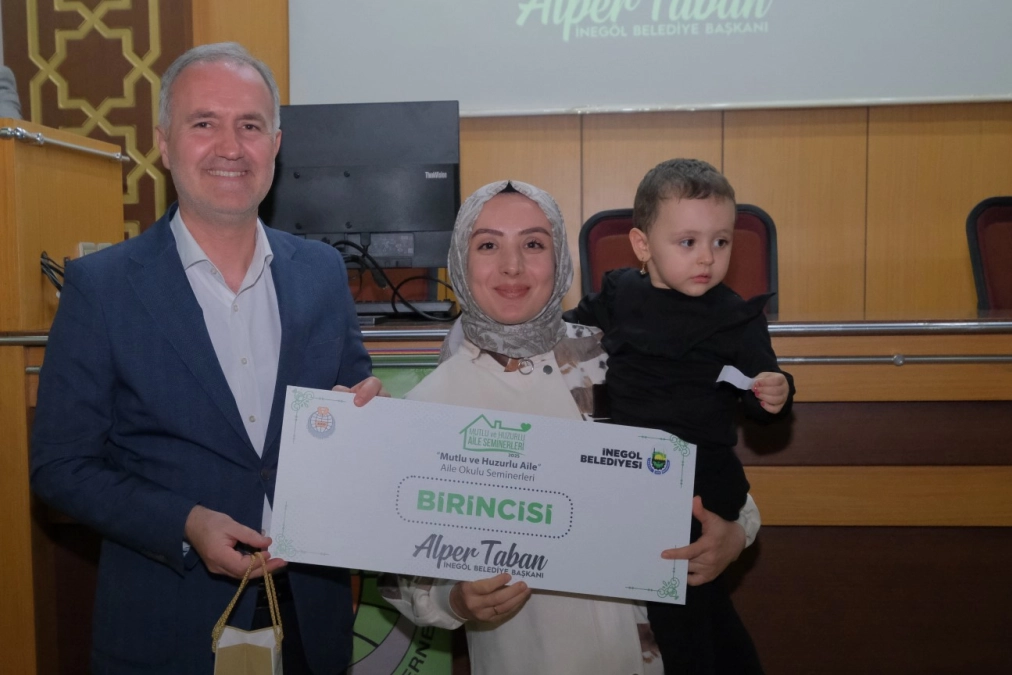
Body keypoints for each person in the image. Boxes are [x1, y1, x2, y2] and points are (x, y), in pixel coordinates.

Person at [30, 42, 382, 675]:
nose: (230, 146)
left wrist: (363, 422)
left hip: (310, 622)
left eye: (250, 125)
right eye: (204, 123)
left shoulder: (322, 273)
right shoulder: (102, 288)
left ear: (275, 144)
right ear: (164, 144)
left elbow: (351, 411)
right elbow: (60, 466)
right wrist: (186, 522)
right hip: (168, 626)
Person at [380, 179, 761, 675]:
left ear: (559, 258)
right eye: (488, 245)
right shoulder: (431, 405)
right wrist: (455, 600)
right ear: (458, 261)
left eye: (534, 244)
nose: (512, 266)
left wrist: (736, 532)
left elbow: (709, 459)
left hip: (671, 654)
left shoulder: (619, 355)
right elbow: (398, 570)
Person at [565, 158, 795, 674]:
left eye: (721, 241)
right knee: (699, 614)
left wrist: (776, 392)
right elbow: (563, 333)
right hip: (635, 479)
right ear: (642, 244)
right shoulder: (621, 294)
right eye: (688, 242)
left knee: (682, 615)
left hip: (701, 487)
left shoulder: (736, 317)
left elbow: (764, 404)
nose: (707, 257)